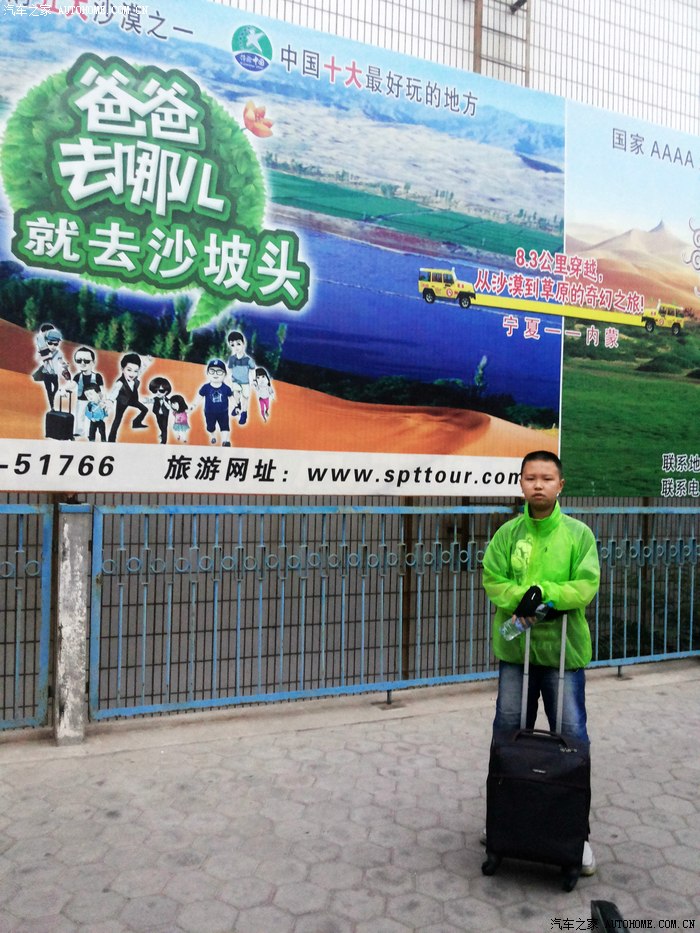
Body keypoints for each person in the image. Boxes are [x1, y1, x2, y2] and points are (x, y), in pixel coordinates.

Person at [481, 449, 601, 875]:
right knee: (507, 732)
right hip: (517, 655)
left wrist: (544, 595)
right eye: (531, 477)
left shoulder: (578, 535)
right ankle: (503, 819)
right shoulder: (508, 534)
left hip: (563, 655)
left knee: (571, 737)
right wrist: (523, 598)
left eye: (547, 478)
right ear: (520, 483)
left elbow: (585, 585)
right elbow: (493, 579)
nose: (538, 485)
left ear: (560, 485)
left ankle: (575, 833)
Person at [107, 353, 152, 443]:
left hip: (132, 399)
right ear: (122, 369)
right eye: (129, 370)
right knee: (118, 418)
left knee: (145, 409)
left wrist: (147, 361)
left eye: (135, 371)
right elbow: (114, 392)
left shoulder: (135, 376)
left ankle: (136, 423)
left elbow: (142, 369)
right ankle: (111, 439)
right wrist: (110, 401)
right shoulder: (120, 383)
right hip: (122, 401)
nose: (132, 374)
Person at [194, 359, 233, 446]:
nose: (215, 374)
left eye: (219, 371)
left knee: (225, 426)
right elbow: (199, 397)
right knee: (210, 427)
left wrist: (236, 406)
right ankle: (212, 436)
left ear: (225, 374)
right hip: (209, 412)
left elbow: (231, 398)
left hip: (223, 412)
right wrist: (194, 405)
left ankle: (225, 442)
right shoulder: (205, 387)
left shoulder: (226, 388)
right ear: (207, 373)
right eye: (212, 371)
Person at [226, 330, 256, 426]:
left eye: (238, 344)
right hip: (235, 381)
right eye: (232, 345)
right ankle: (237, 406)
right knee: (236, 395)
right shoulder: (232, 359)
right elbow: (229, 369)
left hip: (245, 382)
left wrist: (254, 379)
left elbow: (252, 370)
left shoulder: (248, 360)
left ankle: (244, 413)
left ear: (243, 343)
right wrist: (228, 378)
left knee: (245, 397)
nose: (236, 347)